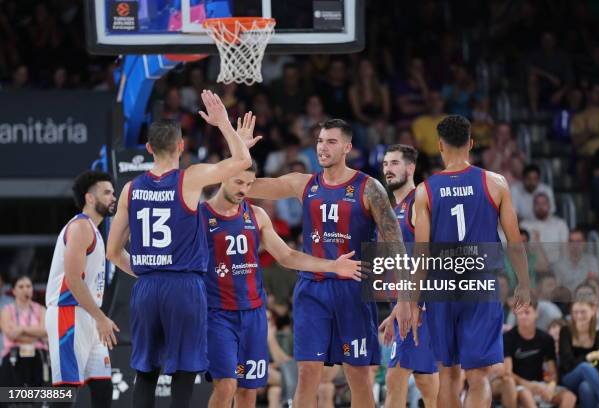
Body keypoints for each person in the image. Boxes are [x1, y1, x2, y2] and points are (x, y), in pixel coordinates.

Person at [106, 90, 256, 408]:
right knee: (185, 371)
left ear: (148, 148)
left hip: (146, 286)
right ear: (181, 146)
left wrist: (147, 271)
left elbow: (112, 252)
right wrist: (225, 125)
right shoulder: (190, 178)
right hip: (184, 286)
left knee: (146, 372)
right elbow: (243, 161)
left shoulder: (130, 189)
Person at [203, 114, 363, 408]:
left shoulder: (257, 215)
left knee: (248, 393)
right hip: (216, 313)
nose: (244, 189)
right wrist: (235, 146)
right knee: (226, 386)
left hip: (252, 313)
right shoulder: (200, 215)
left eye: (248, 184)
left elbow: (287, 256)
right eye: (238, 181)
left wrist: (331, 265)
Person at [247, 118, 408, 408]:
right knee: (307, 373)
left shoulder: (369, 188)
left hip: (353, 290)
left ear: (347, 147)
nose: (323, 147)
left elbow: (396, 244)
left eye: (331, 142)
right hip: (313, 288)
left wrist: (404, 298)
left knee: (358, 376)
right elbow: (246, 187)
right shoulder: (303, 182)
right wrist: (240, 153)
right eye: (320, 141)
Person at [412, 115, 530, 407]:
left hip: (440, 289)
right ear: (472, 143)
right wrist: (524, 283)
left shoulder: (425, 190)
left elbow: (421, 253)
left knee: (448, 374)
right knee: (478, 377)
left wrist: (413, 301)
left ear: (440, 145)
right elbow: (515, 240)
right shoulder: (495, 182)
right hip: (480, 285)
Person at [43, 170, 117, 407]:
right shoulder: (80, 227)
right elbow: (74, 280)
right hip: (69, 312)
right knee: (65, 394)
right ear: (90, 198)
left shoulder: (95, 229)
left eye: (113, 192)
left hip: (88, 315)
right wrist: (101, 318)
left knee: (103, 387)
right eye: (107, 192)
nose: (113, 197)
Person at [377, 144, 439, 408]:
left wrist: (414, 304)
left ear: (410, 167)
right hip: (406, 304)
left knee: (395, 377)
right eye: (385, 164)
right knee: (426, 381)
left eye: (394, 163)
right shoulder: (394, 208)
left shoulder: (419, 201)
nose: (388, 170)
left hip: (420, 305)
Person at [493, 297, 576, 408]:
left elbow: (552, 372)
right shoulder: (508, 338)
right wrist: (529, 385)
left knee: (570, 397)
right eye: (520, 313)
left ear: (536, 313)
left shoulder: (546, 339)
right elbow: (507, 373)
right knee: (525, 394)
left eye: (527, 312)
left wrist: (550, 386)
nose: (523, 316)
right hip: (519, 386)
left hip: (540, 384)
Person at [559, 297, 599, 407]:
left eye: (583, 312)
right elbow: (567, 365)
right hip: (569, 377)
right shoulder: (565, 331)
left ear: (593, 310)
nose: (578, 316)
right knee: (585, 367)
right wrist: (591, 356)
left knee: (586, 388)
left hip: (592, 378)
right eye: (575, 312)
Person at [0, 276, 47, 388]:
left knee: (36, 396)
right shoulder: (6, 310)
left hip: (38, 357)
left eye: (28, 286)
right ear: (14, 291)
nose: (25, 289)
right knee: (11, 398)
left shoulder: (41, 309)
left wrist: (21, 329)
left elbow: (45, 332)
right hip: (13, 357)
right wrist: (36, 334)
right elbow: (10, 334)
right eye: (21, 287)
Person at [520, 193, 569, 263]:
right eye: (537, 204)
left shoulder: (560, 224)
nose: (540, 206)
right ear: (533, 207)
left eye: (544, 203)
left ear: (550, 206)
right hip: (532, 267)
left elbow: (565, 251)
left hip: (556, 267)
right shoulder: (524, 225)